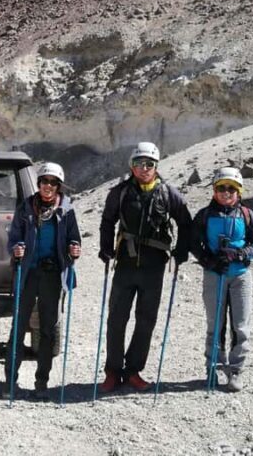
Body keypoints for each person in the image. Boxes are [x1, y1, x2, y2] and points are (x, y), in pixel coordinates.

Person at [98, 142, 192, 393]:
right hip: (125, 265)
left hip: (154, 267)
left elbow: (185, 221)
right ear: (132, 166)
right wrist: (105, 248)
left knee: (146, 320)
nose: (144, 168)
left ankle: (133, 371)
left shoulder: (168, 193)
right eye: (139, 164)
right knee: (116, 319)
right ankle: (112, 371)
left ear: (156, 166)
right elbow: (107, 221)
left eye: (149, 164)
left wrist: (181, 250)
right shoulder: (119, 192)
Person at [4, 162, 81, 401]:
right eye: (44, 181)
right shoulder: (26, 208)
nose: (48, 186)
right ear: (38, 184)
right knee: (18, 328)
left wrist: (74, 249)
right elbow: (13, 238)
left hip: (52, 275)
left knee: (48, 330)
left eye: (53, 183)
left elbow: (74, 239)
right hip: (28, 274)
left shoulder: (66, 210)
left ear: (59, 186)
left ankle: (42, 383)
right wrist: (16, 249)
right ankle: (10, 383)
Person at [190, 167, 253, 392]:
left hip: (240, 275)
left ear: (238, 191)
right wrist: (208, 260)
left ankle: (235, 370)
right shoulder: (204, 215)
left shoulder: (247, 215)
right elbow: (193, 242)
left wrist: (241, 254)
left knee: (240, 325)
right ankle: (212, 366)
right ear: (214, 190)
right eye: (221, 188)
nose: (226, 192)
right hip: (214, 275)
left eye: (231, 188)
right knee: (215, 324)